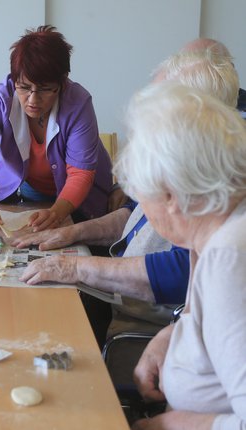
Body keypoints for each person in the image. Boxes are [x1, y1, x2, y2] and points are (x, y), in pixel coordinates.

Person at [13, 42, 239, 340]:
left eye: (160, 105)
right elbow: (135, 215)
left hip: (139, 323)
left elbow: (186, 268)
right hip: (126, 304)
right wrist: (71, 233)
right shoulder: (183, 164)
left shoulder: (216, 184)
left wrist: (78, 268)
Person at [119, 83, 246, 429]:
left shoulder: (230, 258)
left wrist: (174, 425)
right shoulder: (217, 234)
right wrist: (172, 338)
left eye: (141, 196)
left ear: (170, 195)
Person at [0, 25, 113, 232]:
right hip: (32, 190)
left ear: (62, 82)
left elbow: (80, 174)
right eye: (24, 87)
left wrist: (57, 213)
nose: (33, 99)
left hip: (83, 195)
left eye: (44, 89)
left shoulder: (78, 104)